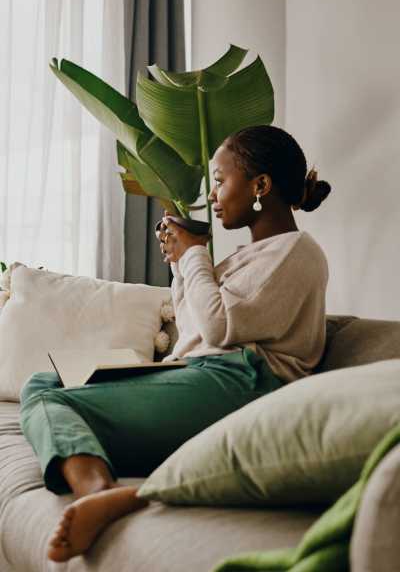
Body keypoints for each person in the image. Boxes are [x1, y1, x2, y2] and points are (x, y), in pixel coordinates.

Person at [19, 124, 331, 563]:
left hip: (245, 383)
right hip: (203, 374)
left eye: (221, 181)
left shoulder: (298, 252)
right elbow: (194, 331)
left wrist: (194, 256)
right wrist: (182, 266)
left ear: (260, 185)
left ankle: (99, 493)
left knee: (60, 403)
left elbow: (221, 329)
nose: (215, 195)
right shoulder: (246, 257)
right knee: (42, 385)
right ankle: (100, 484)